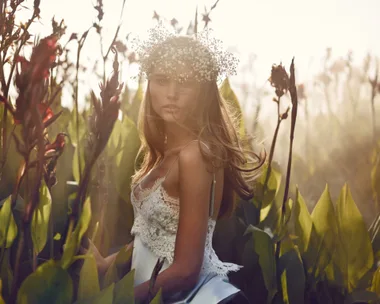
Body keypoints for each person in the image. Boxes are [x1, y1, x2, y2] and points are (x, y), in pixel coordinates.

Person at [85, 25, 265, 303]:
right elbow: (153, 236)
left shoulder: (195, 155)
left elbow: (184, 271)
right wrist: (105, 264)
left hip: (196, 296)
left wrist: (115, 299)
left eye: (184, 82)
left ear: (203, 91)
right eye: (161, 79)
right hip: (158, 292)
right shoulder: (162, 153)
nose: (171, 92)